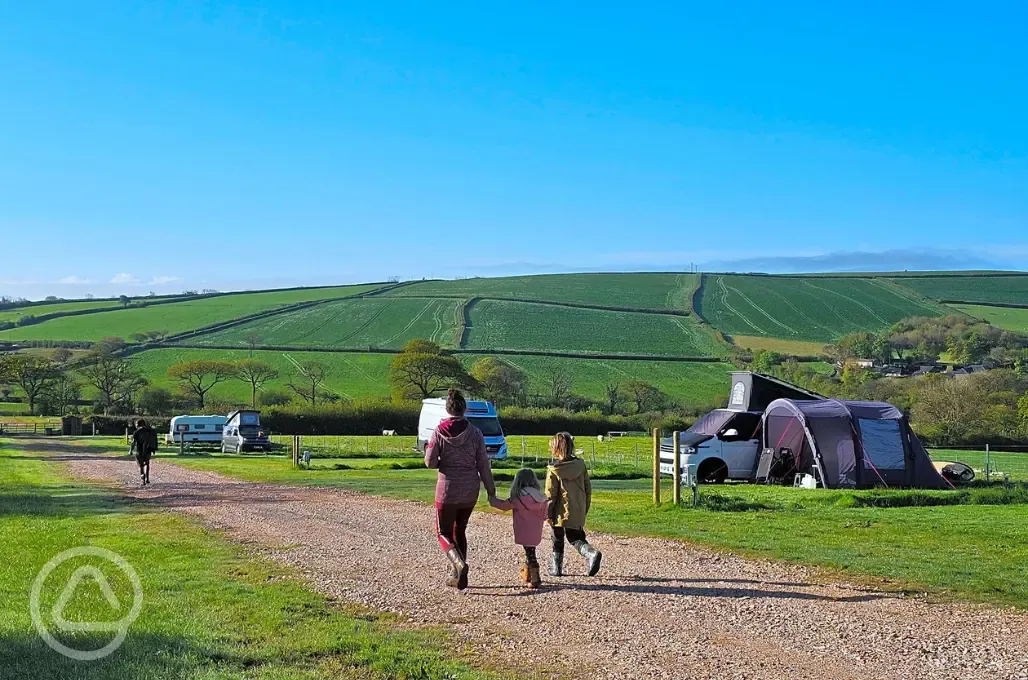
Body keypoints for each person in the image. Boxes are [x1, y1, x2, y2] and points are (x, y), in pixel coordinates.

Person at [425, 388, 497, 590]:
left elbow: (430, 462)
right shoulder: (476, 433)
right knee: (460, 530)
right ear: (464, 409)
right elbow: (484, 464)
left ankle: (458, 564)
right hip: (469, 490)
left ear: (447, 409)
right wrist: (491, 491)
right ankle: (458, 575)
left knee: (443, 532)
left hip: (447, 489)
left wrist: (441, 460)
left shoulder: (439, 432)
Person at [545, 431, 602, 577]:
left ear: (555, 449)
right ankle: (591, 553)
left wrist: (547, 514)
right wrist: (584, 508)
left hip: (559, 512)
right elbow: (587, 489)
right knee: (576, 537)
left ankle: (556, 568)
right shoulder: (581, 465)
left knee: (557, 538)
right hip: (577, 508)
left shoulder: (553, 470)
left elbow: (551, 495)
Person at [490, 468, 548, 588]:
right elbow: (545, 515)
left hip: (523, 530)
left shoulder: (517, 498)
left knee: (530, 554)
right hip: (536, 531)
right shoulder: (541, 497)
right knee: (530, 551)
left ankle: (535, 578)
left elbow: (503, 506)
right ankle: (527, 574)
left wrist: (492, 498)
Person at [129, 418, 159, 486]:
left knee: (141, 465)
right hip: (148, 449)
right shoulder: (150, 431)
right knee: (148, 464)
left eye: (136, 424)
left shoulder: (136, 432)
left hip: (139, 450)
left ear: (138, 424)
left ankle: (143, 478)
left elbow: (133, 442)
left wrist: (131, 450)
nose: (136, 425)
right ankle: (147, 478)